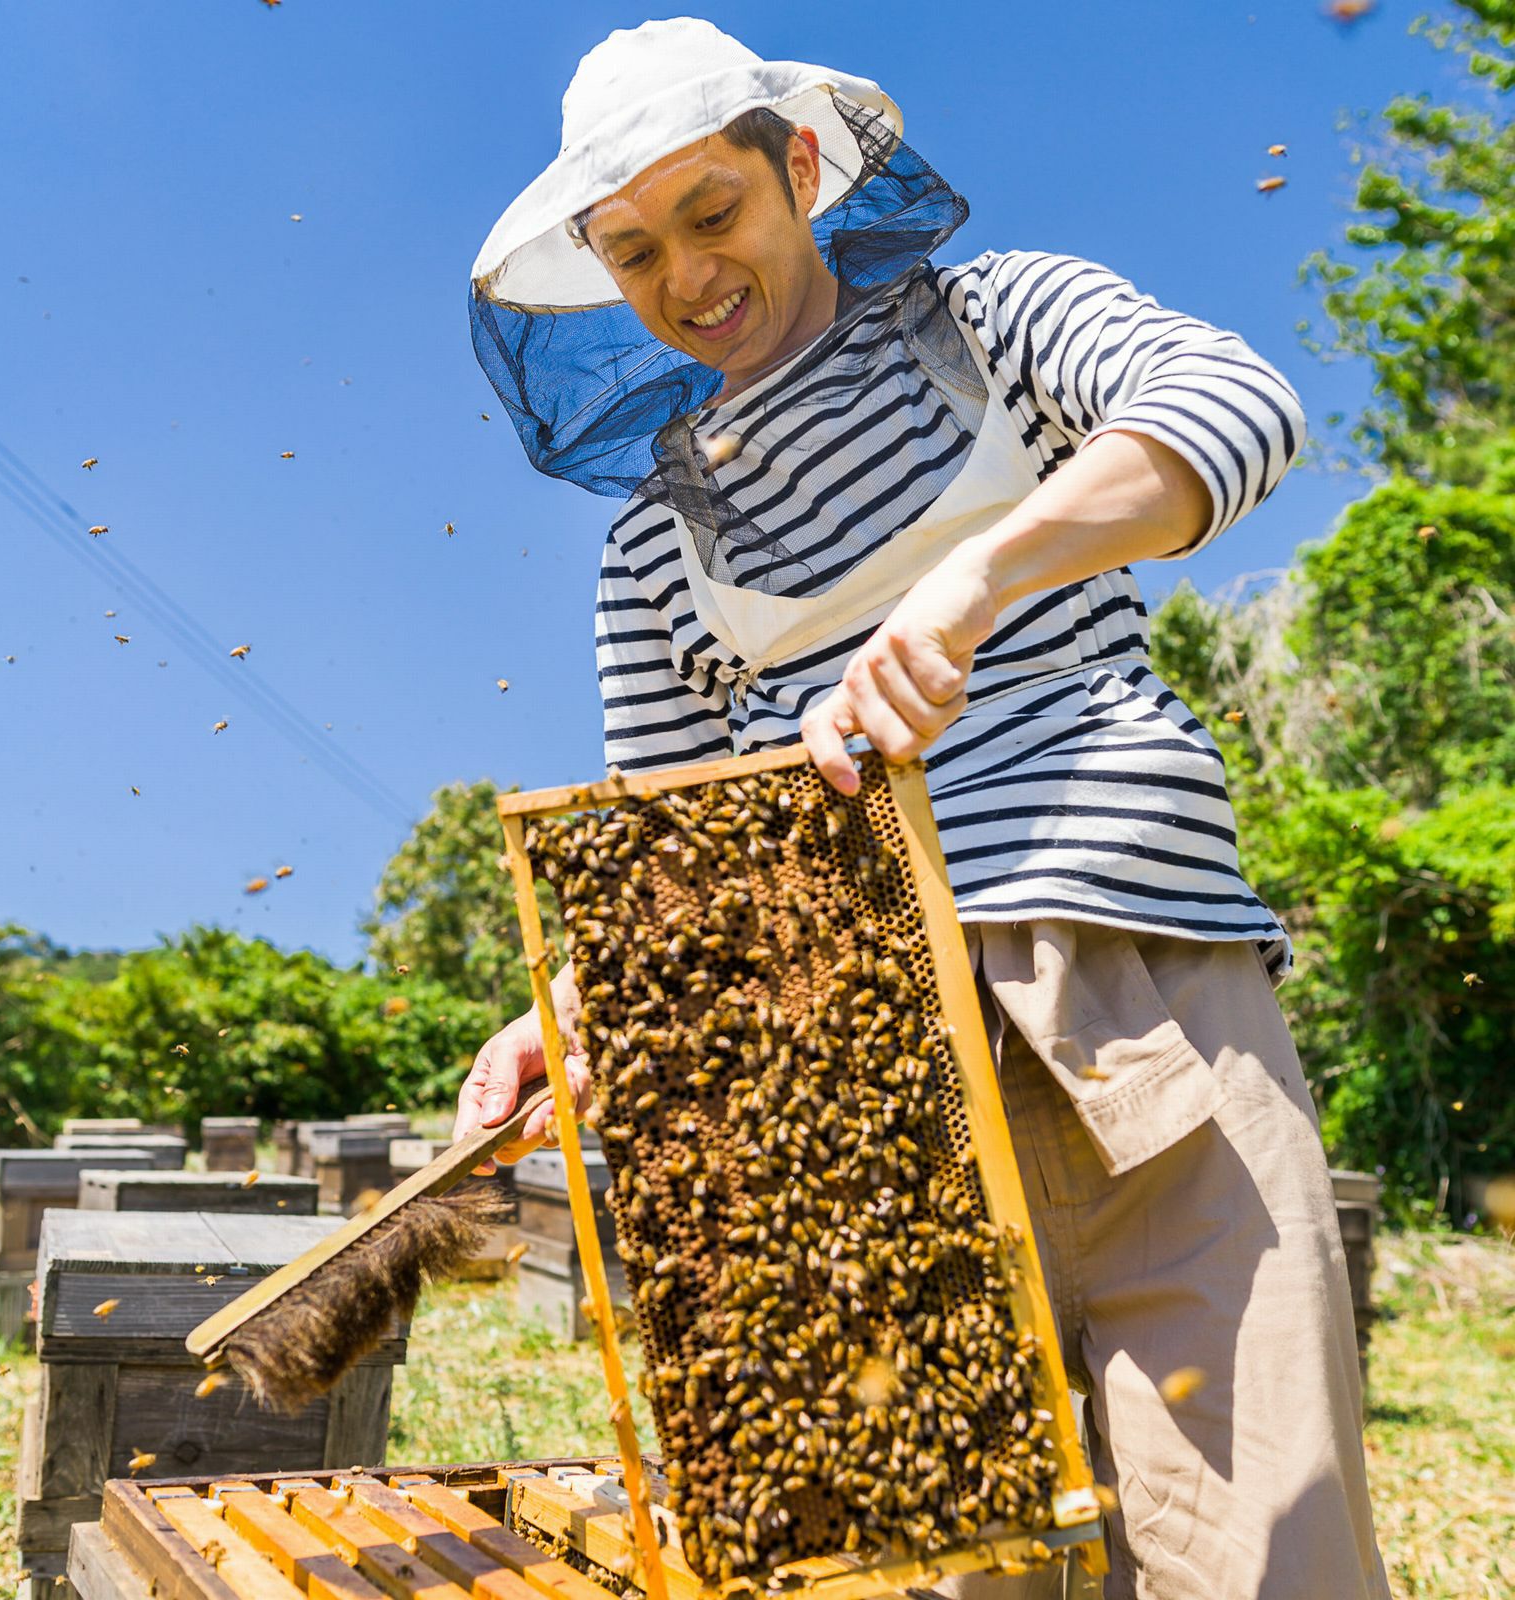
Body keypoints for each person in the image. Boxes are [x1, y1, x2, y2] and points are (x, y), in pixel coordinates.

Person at [454, 18, 1391, 1599]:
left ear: (799, 171)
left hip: (1127, 989)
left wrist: (984, 570)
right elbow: (670, 862)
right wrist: (573, 999)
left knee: (1268, 1553)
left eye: (712, 213)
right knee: (946, 1563)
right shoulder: (647, 552)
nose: (686, 276)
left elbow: (1239, 408)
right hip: (859, 1081)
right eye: (633, 252)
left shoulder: (1000, 318)